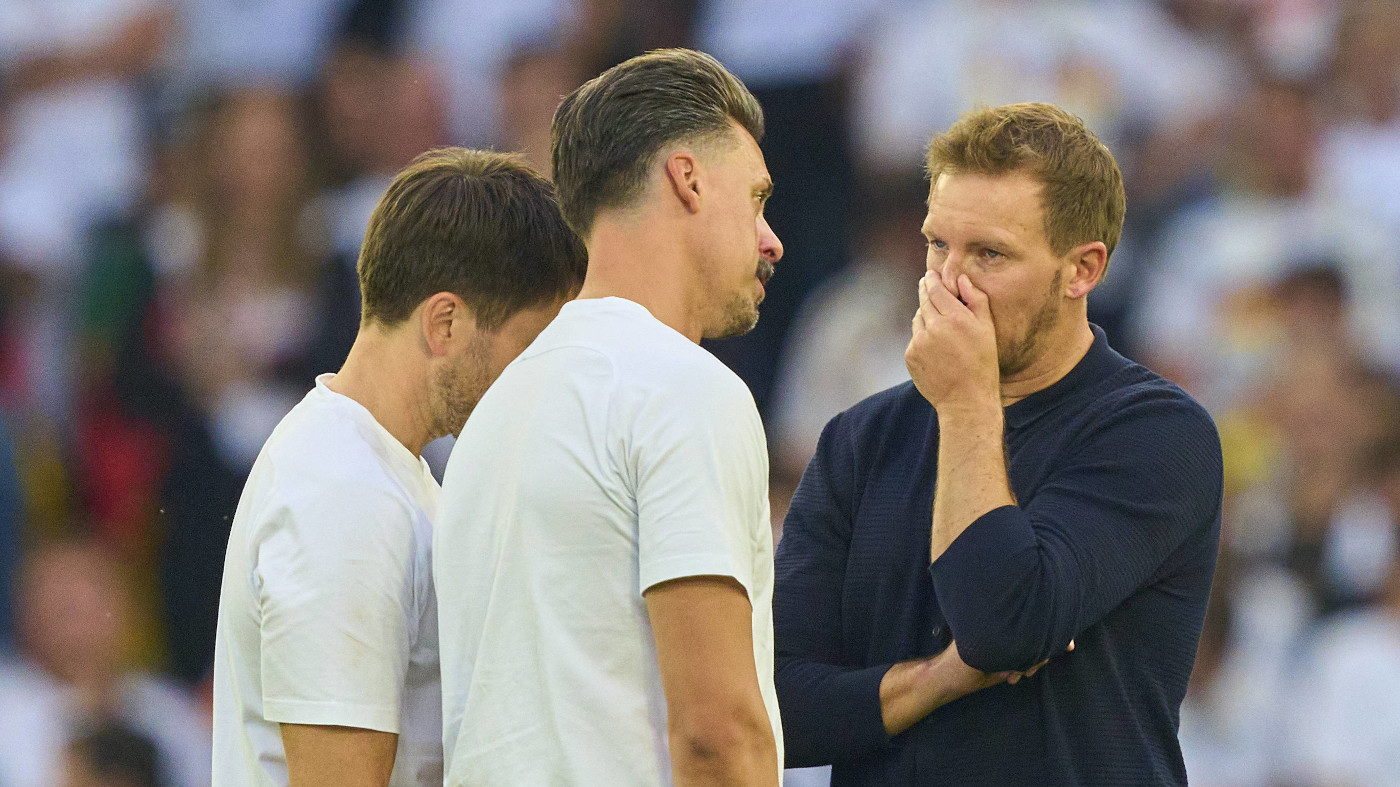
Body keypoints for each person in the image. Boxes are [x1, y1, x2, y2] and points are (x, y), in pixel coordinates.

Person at [773, 102, 1223, 785]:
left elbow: (1003, 622)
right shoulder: (859, 442)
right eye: (937, 244)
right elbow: (778, 708)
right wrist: (938, 680)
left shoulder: (1157, 432)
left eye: (989, 254)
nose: (947, 281)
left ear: (1082, 270)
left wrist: (966, 401)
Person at [434, 48, 784, 786]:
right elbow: (718, 732)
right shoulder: (684, 388)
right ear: (688, 178)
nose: (770, 239)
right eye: (755, 199)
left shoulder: (490, 419)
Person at [210, 147, 586, 786]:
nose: (539, 378)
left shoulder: (380, 471)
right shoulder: (343, 494)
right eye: (528, 345)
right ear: (445, 322)